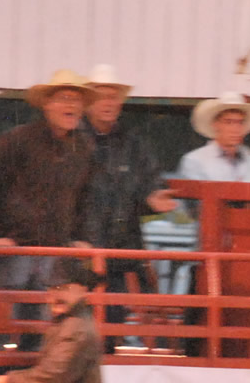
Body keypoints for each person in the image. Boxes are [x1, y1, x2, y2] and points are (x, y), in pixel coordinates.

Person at [0, 69, 99, 357]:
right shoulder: (17, 140)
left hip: (54, 250)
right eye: (63, 98)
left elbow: (85, 197)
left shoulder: (83, 148)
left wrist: (80, 237)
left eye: (76, 99)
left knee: (43, 329)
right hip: (15, 247)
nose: (70, 105)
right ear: (47, 104)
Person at [74, 65, 179, 319]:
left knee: (111, 318)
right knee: (80, 316)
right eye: (101, 96)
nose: (108, 103)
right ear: (88, 102)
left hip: (120, 249)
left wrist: (153, 197)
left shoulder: (133, 144)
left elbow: (151, 183)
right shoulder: (72, 140)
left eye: (113, 96)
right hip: (79, 247)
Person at [0, 259, 105, 383]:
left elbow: (54, 375)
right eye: (52, 288)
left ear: (83, 291)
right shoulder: (72, 321)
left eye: (64, 288)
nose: (56, 294)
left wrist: (10, 379)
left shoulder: (75, 329)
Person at [176, 91, 250, 184]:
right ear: (215, 124)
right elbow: (195, 210)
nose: (235, 128)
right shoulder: (195, 161)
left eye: (240, 122)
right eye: (229, 122)